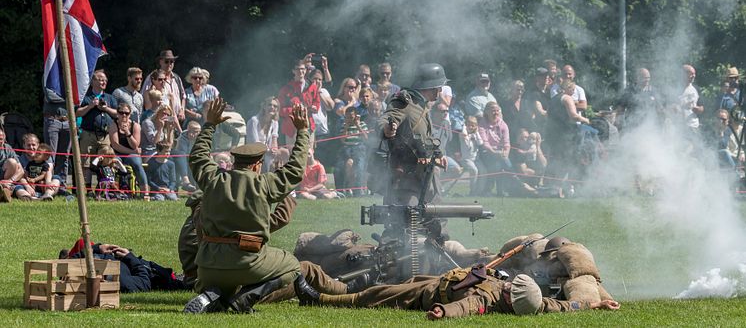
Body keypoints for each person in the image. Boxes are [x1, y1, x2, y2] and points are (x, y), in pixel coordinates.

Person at [183, 98, 311, 313]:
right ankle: (245, 298)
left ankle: (213, 295)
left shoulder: (214, 179)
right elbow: (296, 168)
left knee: (225, 280)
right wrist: (303, 131)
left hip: (207, 267)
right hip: (246, 263)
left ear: (234, 163)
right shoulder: (264, 183)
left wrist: (209, 125)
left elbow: (197, 157)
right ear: (257, 164)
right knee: (292, 265)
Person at [294, 269, 620, 318]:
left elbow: (465, 306)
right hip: (436, 279)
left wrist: (441, 312)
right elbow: (562, 306)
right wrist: (595, 303)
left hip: (425, 294)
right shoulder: (533, 303)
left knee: (374, 295)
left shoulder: (488, 299)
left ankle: (319, 298)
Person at [379, 63, 448, 206]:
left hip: (426, 172)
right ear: (431, 86)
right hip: (406, 174)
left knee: (436, 213)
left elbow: (425, 136)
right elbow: (386, 119)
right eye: (439, 87)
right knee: (407, 215)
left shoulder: (423, 105)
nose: (440, 90)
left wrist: (439, 153)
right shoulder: (405, 101)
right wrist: (386, 129)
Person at [76, 70, 118, 189]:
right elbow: (77, 113)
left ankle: (104, 187)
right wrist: (90, 106)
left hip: (105, 135)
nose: (103, 82)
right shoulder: (86, 96)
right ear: (92, 81)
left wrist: (106, 109)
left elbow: (117, 114)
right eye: (100, 79)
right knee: (86, 162)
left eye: (105, 80)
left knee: (106, 161)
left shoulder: (109, 97)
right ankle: (88, 189)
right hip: (88, 134)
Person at [109, 102, 150, 195]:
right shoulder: (113, 125)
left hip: (131, 154)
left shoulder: (135, 126)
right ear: (117, 113)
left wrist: (127, 132)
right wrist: (133, 151)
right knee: (112, 163)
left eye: (126, 113)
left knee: (137, 164)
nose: (124, 115)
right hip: (118, 153)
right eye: (121, 112)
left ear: (130, 114)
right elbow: (116, 145)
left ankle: (145, 193)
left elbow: (135, 144)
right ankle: (112, 191)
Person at [278, 59, 320, 147]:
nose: (300, 71)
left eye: (302, 69)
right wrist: (295, 110)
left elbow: (317, 102)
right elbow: (280, 110)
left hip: (308, 126)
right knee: (293, 156)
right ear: (293, 71)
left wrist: (314, 107)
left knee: (309, 155)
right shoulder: (286, 89)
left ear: (305, 70)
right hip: (291, 128)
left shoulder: (312, 86)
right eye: (298, 69)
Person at [476, 102, 513, 196]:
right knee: (497, 165)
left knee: (502, 164)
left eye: (497, 110)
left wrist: (506, 153)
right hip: (486, 152)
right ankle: (505, 189)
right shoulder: (482, 124)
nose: (495, 113)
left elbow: (507, 143)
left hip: (500, 153)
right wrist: (494, 152)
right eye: (493, 110)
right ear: (487, 112)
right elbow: (485, 142)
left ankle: (497, 190)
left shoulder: (503, 124)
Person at [142, 50, 187, 123]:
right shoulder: (152, 77)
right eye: (166, 61)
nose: (169, 64)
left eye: (172, 61)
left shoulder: (177, 78)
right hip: (159, 121)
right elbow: (145, 98)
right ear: (160, 62)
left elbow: (183, 96)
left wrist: (182, 110)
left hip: (176, 120)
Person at [246, 96, 288, 171]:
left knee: (285, 153)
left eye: (275, 106)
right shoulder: (254, 121)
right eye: (269, 105)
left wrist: (274, 150)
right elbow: (255, 143)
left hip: (267, 153)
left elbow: (274, 140)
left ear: (277, 110)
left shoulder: (275, 123)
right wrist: (269, 151)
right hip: (253, 153)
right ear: (264, 107)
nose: (272, 107)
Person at [334, 106, 369, 197]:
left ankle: (357, 191)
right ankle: (340, 191)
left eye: (351, 117)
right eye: (347, 117)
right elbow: (342, 140)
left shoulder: (362, 124)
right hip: (346, 148)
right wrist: (346, 127)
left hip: (359, 147)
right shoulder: (343, 125)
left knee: (360, 167)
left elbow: (366, 138)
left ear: (355, 116)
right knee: (338, 167)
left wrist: (358, 125)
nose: (349, 119)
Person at [42, 87, 70, 178]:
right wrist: (70, 98)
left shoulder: (72, 76)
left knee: (64, 155)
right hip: (52, 119)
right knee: (50, 155)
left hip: (67, 121)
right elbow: (50, 96)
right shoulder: (51, 73)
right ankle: (48, 182)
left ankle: (61, 184)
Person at [309, 69, 336, 165]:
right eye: (315, 79)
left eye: (320, 79)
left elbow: (330, 107)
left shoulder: (324, 91)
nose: (318, 81)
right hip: (309, 132)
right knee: (310, 159)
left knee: (322, 161)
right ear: (310, 79)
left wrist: (319, 92)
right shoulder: (306, 90)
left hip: (322, 133)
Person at [172, 121, 201, 190]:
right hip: (182, 158)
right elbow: (184, 152)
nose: (193, 134)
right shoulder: (183, 137)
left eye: (196, 132)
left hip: (194, 158)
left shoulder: (202, 138)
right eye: (191, 131)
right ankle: (185, 179)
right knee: (181, 154)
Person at [458, 116, 483, 195]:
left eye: (473, 125)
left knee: (484, 171)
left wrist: (476, 133)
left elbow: (480, 143)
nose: (471, 127)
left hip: (476, 159)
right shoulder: (462, 134)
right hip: (466, 159)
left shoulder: (475, 135)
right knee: (474, 170)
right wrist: (464, 127)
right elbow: (465, 141)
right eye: (469, 125)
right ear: (465, 125)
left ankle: (479, 190)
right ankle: (473, 191)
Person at [0, 128, 24, 202]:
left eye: (1, 139)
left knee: (12, 162)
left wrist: (9, 181)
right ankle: (5, 192)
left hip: (5, 179)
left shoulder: (8, 148)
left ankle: (5, 190)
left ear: (4, 138)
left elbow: (21, 171)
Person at [679, 64, 704, 133]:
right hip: (678, 126)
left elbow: (702, 107)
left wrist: (698, 109)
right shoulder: (675, 89)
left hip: (693, 126)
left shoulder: (696, 89)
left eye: (694, 74)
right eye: (691, 74)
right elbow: (668, 106)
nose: (694, 76)